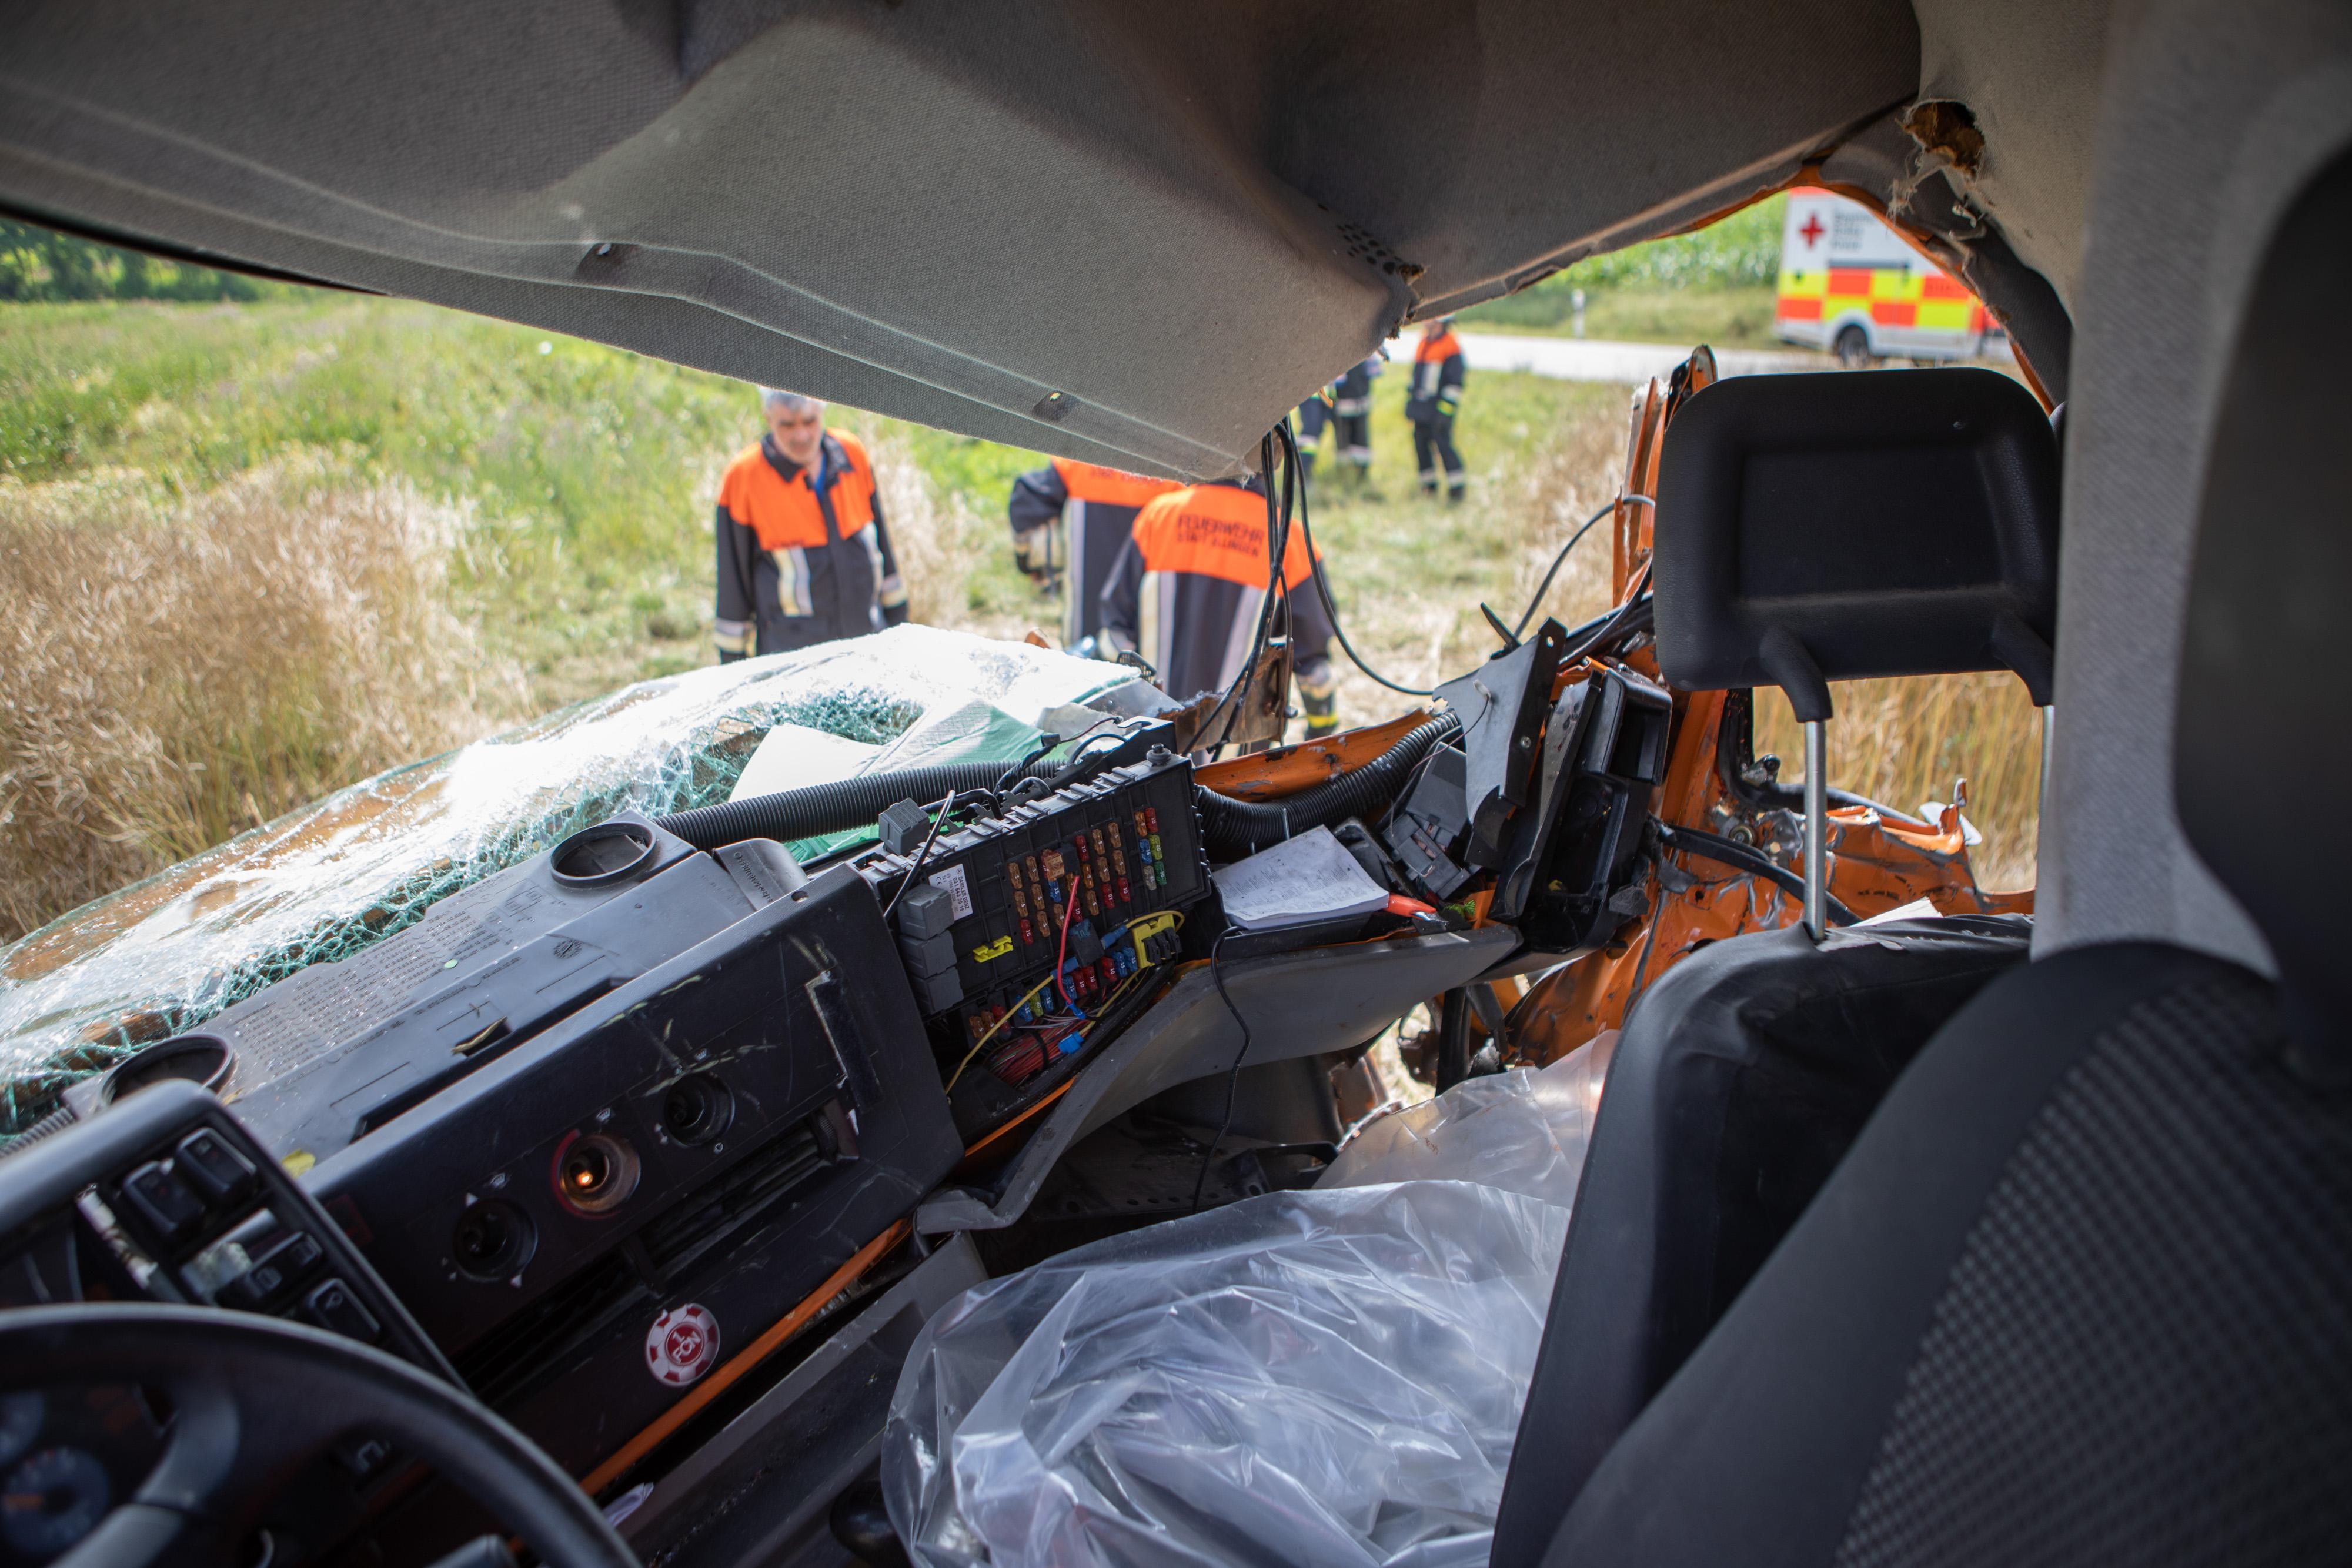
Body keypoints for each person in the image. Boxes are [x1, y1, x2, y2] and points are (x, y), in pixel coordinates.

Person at [1099, 475, 1340, 741]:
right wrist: (1321, 733)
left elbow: (1114, 633)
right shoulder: (1290, 540)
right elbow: (1314, 670)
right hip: (1238, 767)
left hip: (1150, 751)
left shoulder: (1159, 517)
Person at [712, 389, 909, 661]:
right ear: (768, 418)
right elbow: (733, 579)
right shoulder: (745, 477)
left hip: (867, 644)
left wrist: (899, 623)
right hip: (795, 660)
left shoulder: (851, 454)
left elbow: (881, 546)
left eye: (809, 422)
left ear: (823, 411)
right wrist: (732, 663)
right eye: (787, 425)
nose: (801, 436)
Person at [1004, 458, 1180, 652]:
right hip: (1146, 634)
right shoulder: (1179, 469)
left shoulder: (1080, 459)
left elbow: (1026, 498)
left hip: (1084, 629)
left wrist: (1032, 565)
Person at [1406, 317, 1466, 502]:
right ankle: (1428, 487)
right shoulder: (1424, 342)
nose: (1425, 323)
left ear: (1441, 322)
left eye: (1430, 320)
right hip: (1422, 410)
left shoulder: (1451, 346)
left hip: (1439, 411)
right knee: (1421, 447)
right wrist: (1412, 405)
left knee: (1444, 447)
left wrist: (1445, 413)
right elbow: (1416, 379)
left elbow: (1455, 385)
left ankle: (1457, 490)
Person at [1329, 355, 1381, 483]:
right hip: (1344, 403)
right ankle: (1346, 474)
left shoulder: (1365, 349)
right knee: (1345, 440)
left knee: (1360, 440)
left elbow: (1374, 371)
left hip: (1359, 403)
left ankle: (1361, 473)